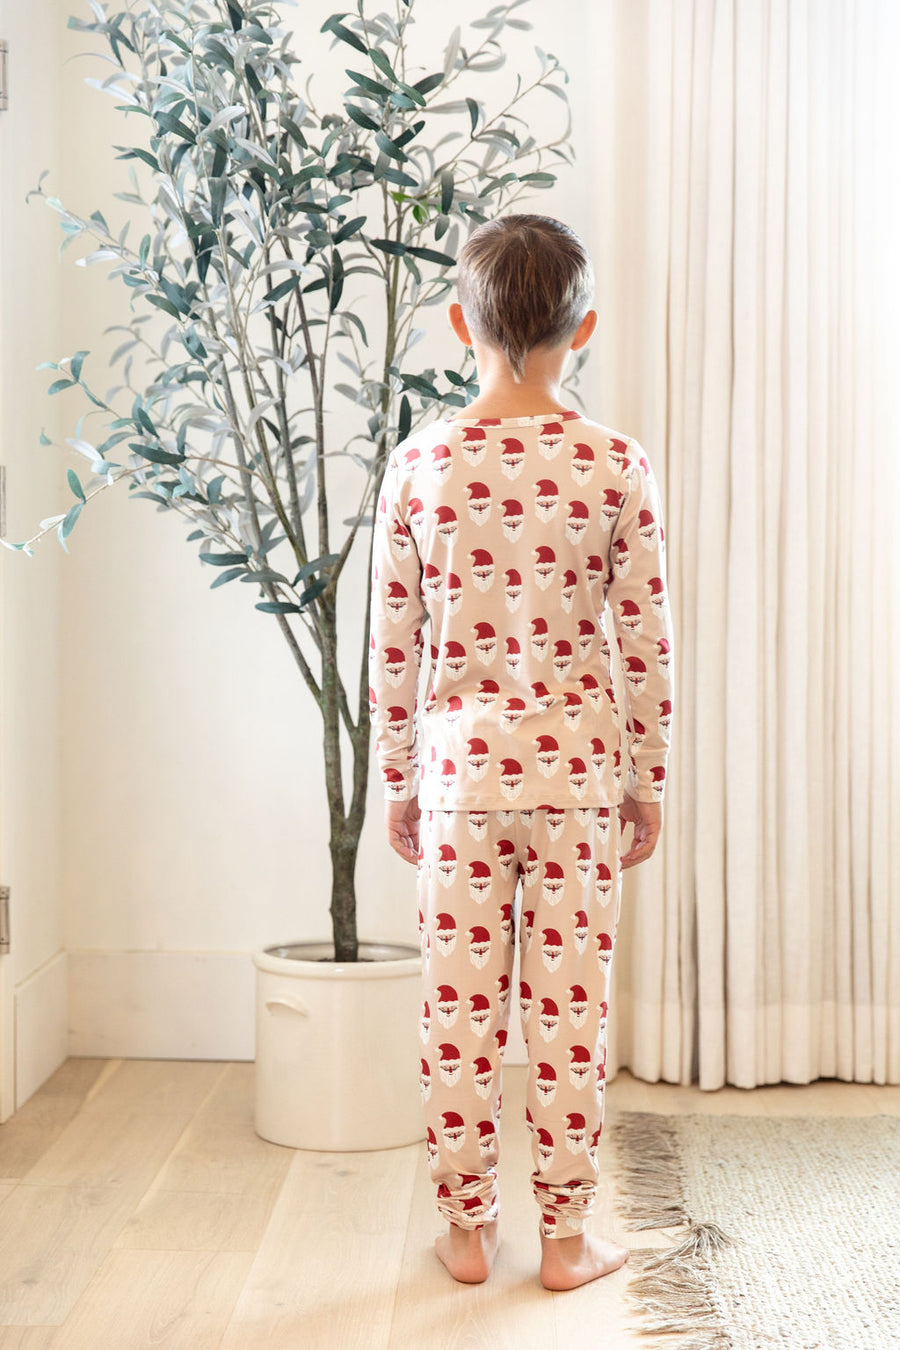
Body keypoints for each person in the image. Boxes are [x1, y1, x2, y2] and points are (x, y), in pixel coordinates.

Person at [367, 214, 675, 1291]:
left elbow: (394, 643)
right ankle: (565, 1240)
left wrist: (399, 780)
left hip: (458, 784)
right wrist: (647, 782)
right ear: (582, 329)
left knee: (458, 1013)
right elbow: (646, 642)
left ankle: (466, 1232)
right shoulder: (616, 464)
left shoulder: (419, 464)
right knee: (568, 1016)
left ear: (462, 326)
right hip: (579, 785)